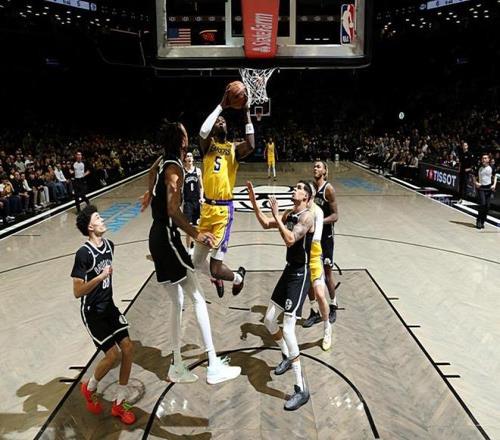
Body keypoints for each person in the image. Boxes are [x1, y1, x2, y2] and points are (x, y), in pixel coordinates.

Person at [143, 120, 241, 385]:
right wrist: (196, 233)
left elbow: (151, 172)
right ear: (182, 141)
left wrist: (149, 193)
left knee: (177, 302)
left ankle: (176, 365)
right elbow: (173, 210)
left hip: (155, 237)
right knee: (197, 298)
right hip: (168, 237)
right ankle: (213, 366)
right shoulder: (174, 167)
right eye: (186, 133)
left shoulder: (163, 161)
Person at [247, 180, 314, 411]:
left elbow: (290, 239)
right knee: (268, 319)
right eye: (295, 187)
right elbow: (266, 223)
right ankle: (286, 355)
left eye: (299, 188)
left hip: (300, 275)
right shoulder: (289, 213)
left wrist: (277, 215)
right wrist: (255, 203)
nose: (295, 189)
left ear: (306, 196)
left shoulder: (307, 217)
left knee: (288, 329)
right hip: (288, 271)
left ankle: (301, 388)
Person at [71, 205, 136, 425]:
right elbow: (77, 291)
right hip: (93, 313)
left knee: (128, 348)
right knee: (112, 355)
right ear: (90, 227)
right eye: (98, 218)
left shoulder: (110, 246)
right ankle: (89, 387)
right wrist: (99, 277)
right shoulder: (83, 253)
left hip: (109, 307)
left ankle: (119, 403)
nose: (103, 220)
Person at [192, 87, 255, 298]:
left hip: (222, 212)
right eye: (217, 121)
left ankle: (237, 278)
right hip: (206, 210)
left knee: (216, 268)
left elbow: (251, 145)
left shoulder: (233, 148)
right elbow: (202, 132)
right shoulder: (207, 146)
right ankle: (221, 278)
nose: (220, 122)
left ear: (228, 128)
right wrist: (221, 105)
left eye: (223, 121)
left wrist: (246, 112)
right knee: (196, 262)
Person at [303, 161, 339, 326]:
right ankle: (314, 311)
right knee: (310, 274)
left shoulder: (328, 189)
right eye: (314, 166)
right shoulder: (310, 188)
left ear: (325, 171)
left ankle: (333, 306)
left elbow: (335, 216)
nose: (315, 168)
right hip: (312, 237)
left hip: (326, 237)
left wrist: (319, 221)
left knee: (327, 274)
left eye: (318, 166)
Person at [304, 184, 332, 350]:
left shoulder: (318, 212)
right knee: (307, 288)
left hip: (314, 255)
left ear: (310, 196)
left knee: (320, 294)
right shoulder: (297, 210)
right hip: (301, 257)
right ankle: (313, 310)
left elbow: (316, 237)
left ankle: (327, 328)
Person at [183, 151, 204, 254]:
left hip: (196, 202)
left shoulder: (198, 171)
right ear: (185, 159)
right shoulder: (183, 171)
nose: (189, 158)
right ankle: (189, 250)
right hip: (187, 202)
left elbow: (201, 187)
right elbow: (180, 188)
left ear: (193, 158)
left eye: (191, 156)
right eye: (187, 156)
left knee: (196, 227)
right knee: (188, 227)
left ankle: (194, 247)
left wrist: (201, 197)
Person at [475, 154, 497, 229]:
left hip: (489, 189)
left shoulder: (492, 167)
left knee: (487, 207)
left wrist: (494, 185)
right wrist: (476, 183)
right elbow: (474, 176)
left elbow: (495, 176)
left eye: (485, 158)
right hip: (481, 188)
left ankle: (482, 221)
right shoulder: (479, 167)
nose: (483, 159)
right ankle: (478, 221)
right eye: (483, 158)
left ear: (488, 160)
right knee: (483, 204)